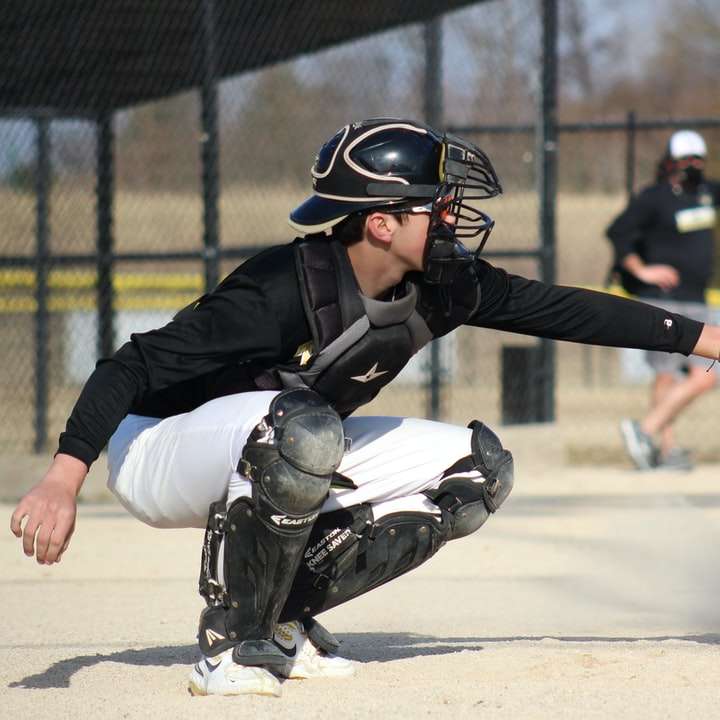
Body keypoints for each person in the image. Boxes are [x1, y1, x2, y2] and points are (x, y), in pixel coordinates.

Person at [10, 118, 720, 698]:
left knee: (475, 471)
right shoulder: (282, 288)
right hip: (157, 447)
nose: (452, 217)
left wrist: (705, 339)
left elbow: (563, 309)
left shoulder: (445, 284)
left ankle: (283, 617)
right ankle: (234, 639)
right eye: (435, 204)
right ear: (380, 224)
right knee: (307, 425)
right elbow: (130, 365)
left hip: (278, 441)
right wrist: (62, 477)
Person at [607, 130, 720, 471]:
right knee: (666, 376)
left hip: (697, 298)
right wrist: (642, 271)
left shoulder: (707, 194)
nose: (694, 166)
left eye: (698, 159)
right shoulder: (653, 198)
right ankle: (664, 449)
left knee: (706, 375)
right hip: (663, 299)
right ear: (671, 161)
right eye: (687, 159)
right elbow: (619, 232)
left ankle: (643, 432)